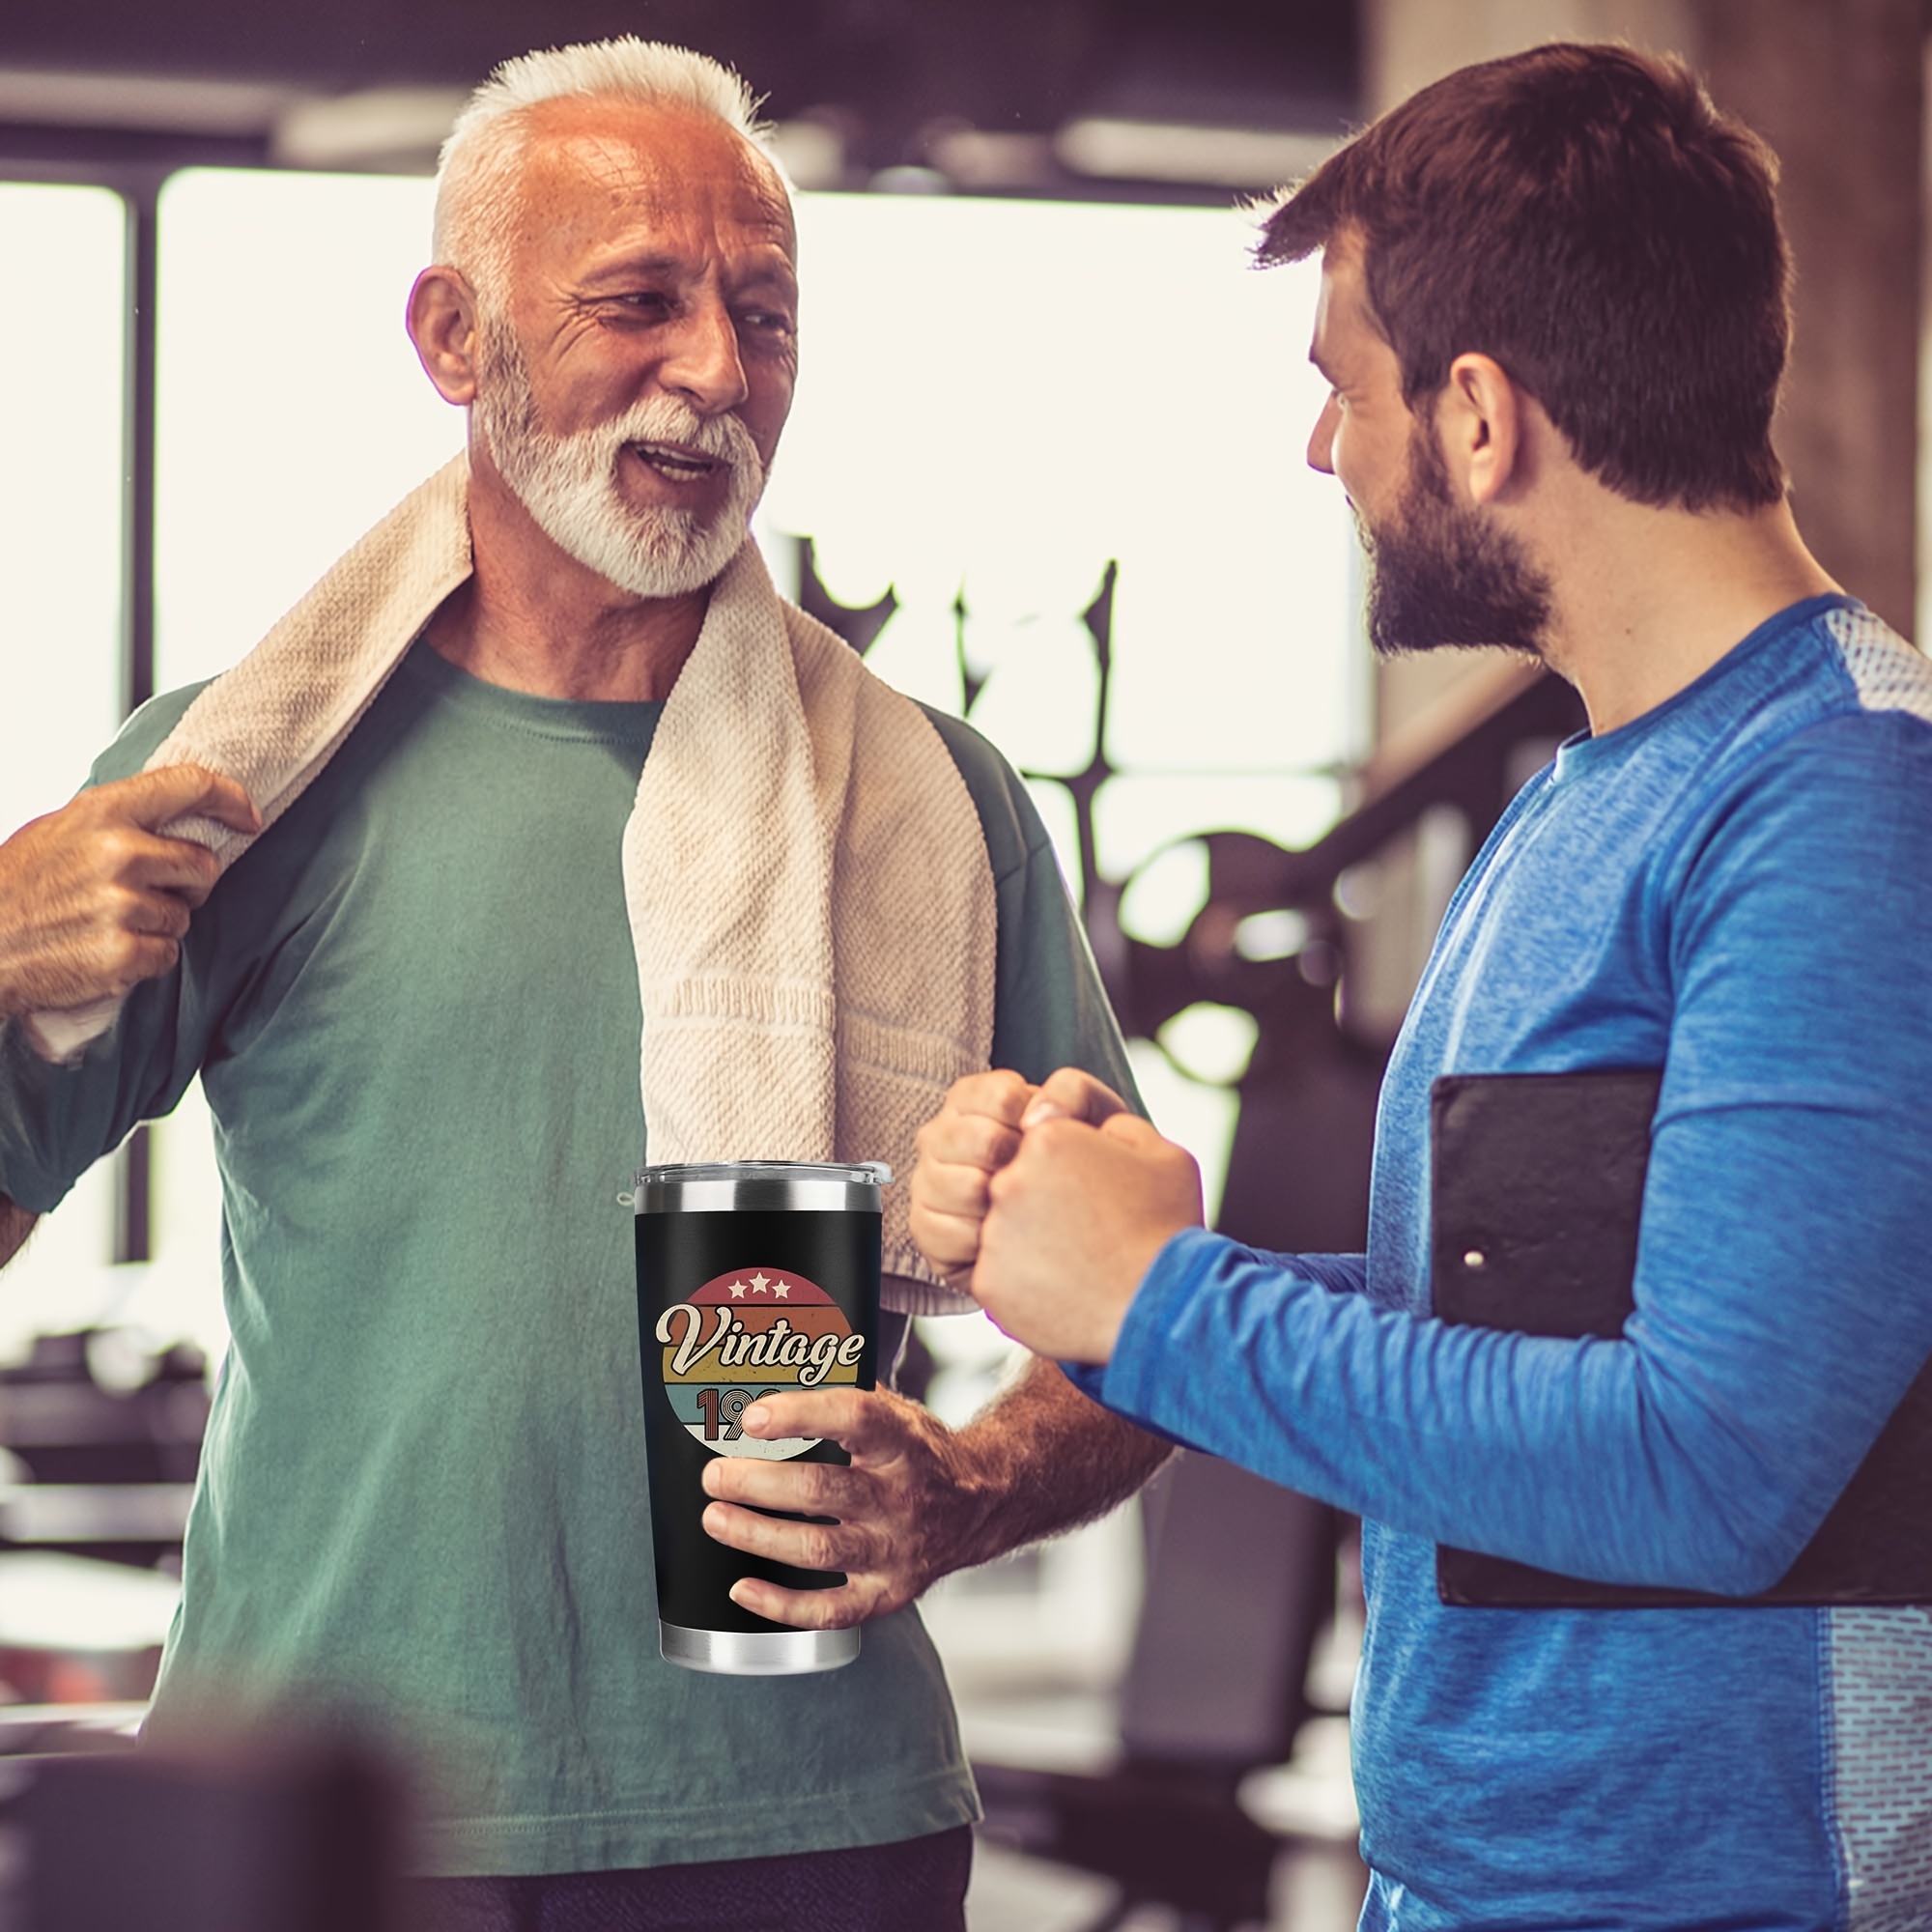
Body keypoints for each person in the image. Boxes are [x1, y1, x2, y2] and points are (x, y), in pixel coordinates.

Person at [0, 37, 1168, 1929]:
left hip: (815, 1825)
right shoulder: (230, 775)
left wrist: (964, 1485)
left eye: (764, 314)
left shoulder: (934, 806)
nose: (716, 369)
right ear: (455, 337)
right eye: (638, 301)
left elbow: (1142, 1328)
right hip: (329, 1821)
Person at [911, 42, 1932, 1932]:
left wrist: (1162, 1302)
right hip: (1469, 1886)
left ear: (1476, 415)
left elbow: (1706, 1467)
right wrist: (1087, 1264)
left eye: (1338, 388)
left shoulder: (1844, 807)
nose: (1323, 450)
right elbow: (1484, 1328)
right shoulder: (1580, 796)